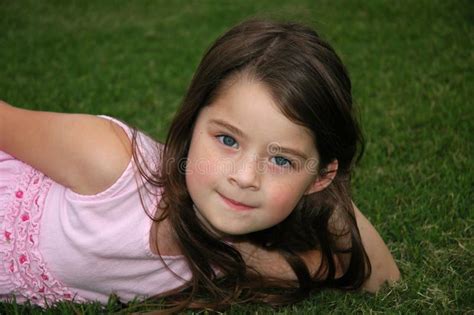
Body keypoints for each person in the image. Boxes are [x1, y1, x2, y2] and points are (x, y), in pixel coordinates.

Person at [0, 18, 400, 312]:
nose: (244, 177)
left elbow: (382, 281)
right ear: (191, 125)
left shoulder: (232, 254)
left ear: (318, 177)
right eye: (227, 140)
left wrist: (329, 194)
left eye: (281, 160)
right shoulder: (110, 164)